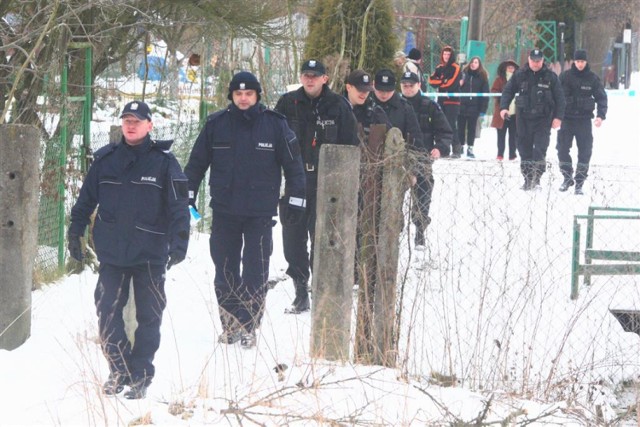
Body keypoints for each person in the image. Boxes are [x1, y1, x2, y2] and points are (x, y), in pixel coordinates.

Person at [67, 101, 190, 399]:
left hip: (150, 254)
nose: (131, 125)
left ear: (149, 126)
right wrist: (75, 232)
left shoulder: (165, 162)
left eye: (137, 120)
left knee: (149, 317)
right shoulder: (105, 161)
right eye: (126, 120)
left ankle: (141, 376)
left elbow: (178, 207)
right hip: (113, 253)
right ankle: (119, 368)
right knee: (107, 311)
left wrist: (180, 242)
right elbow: (85, 202)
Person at [184, 72, 306, 347]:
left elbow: (294, 166)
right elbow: (196, 165)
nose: (243, 98)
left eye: (248, 94)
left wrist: (296, 198)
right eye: (238, 94)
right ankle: (230, 325)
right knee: (225, 270)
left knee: (255, 271)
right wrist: (188, 196)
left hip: (260, 214)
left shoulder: (275, 125)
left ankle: (248, 325)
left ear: (257, 96)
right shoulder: (216, 125)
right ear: (231, 96)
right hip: (225, 211)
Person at [274, 59, 359, 314]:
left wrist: (344, 184)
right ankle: (301, 289)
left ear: (325, 78)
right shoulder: (287, 104)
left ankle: (320, 290)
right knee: (293, 240)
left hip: (327, 185)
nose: (310, 79)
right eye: (306, 75)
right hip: (295, 183)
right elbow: (274, 141)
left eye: (315, 75)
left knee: (322, 238)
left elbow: (350, 146)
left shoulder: (338, 106)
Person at [371, 69, 425, 244]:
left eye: (387, 90)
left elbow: (416, 141)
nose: (384, 94)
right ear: (373, 86)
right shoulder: (367, 103)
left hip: (397, 168)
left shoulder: (404, 108)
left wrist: (413, 170)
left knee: (392, 210)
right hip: (370, 166)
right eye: (380, 90)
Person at [500, 49, 565, 190]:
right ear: (529, 60)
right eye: (533, 60)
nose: (536, 63)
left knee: (539, 150)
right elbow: (508, 91)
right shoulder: (520, 75)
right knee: (524, 150)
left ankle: (537, 178)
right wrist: (503, 107)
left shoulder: (551, 77)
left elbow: (560, 98)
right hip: (523, 119)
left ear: (542, 61)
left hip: (543, 120)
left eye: (538, 61)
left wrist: (558, 118)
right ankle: (528, 178)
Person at [400, 71, 453, 245]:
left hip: (422, 158)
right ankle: (395, 226)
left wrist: (439, 148)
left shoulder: (429, 106)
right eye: (404, 86)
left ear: (419, 86)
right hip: (398, 159)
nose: (407, 89)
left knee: (423, 196)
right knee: (393, 195)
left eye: (411, 86)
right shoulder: (396, 105)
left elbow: (445, 131)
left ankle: (420, 230)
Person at [557, 49, 608, 195]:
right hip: (567, 120)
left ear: (586, 62)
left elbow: (601, 97)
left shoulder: (592, 78)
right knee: (561, 149)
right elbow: (556, 97)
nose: (580, 64)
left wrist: (601, 116)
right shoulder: (565, 77)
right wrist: (555, 117)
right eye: (578, 61)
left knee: (585, 152)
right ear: (574, 61)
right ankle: (567, 177)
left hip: (584, 121)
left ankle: (579, 182)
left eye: (582, 61)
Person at [429, 46, 464, 157]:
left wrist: (441, 83)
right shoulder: (439, 67)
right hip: (441, 100)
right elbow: (431, 80)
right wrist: (442, 81)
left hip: (453, 102)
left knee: (451, 125)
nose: (446, 57)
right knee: (441, 124)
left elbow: (452, 83)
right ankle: (444, 149)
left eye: (448, 55)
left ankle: (457, 148)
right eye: (444, 54)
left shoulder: (456, 67)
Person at [458, 56, 489, 158]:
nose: (473, 64)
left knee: (472, 129)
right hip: (462, 105)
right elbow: (457, 87)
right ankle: (461, 146)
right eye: (472, 62)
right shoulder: (463, 74)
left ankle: (470, 148)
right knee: (460, 127)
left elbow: (485, 94)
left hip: (474, 107)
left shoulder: (482, 77)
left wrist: (483, 109)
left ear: (479, 65)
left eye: (476, 62)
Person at [491, 59, 519, 160]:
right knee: (501, 136)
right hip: (501, 114)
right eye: (509, 67)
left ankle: (512, 154)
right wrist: (502, 98)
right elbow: (494, 91)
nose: (511, 69)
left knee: (513, 136)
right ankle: (500, 154)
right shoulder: (499, 79)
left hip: (515, 113)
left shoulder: (518, 79)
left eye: (512, 67)